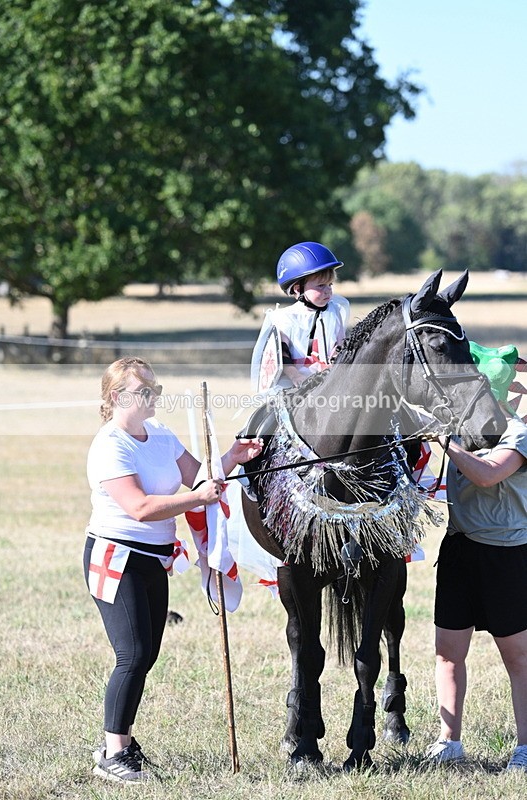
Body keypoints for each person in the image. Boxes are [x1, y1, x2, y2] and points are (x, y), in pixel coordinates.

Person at [83, 356, 262, 783]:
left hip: (154, 558)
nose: (153, 397)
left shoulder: (160, 435)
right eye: (145, 391)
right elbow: (141, 508)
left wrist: (233, 457)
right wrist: (198, 500)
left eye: (155, 390)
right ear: (117, 397)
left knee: (147, 654)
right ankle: (113, 752)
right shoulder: (110, 445)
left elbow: (200, 476)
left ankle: (118, 738)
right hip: (117, 556)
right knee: (133, 655)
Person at [426, 342, 527, 771]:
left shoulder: (520, 431)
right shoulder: (461, 427)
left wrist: (445, 442)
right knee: (448, 652)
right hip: (460, 549)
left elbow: (487, 475)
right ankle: (450, 741)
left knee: (518, 657)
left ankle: (524, 748)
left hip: (506, 555)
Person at [251, 241, 350, 392]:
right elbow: (281, 354)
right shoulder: (283, 319)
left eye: (330, 285)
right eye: (320, 286)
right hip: (292, 385)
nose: (328, 291)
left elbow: (340, 344)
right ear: (298, 289)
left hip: (329, 382)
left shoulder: (335, 311)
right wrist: (295, 376)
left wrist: (332, 365)